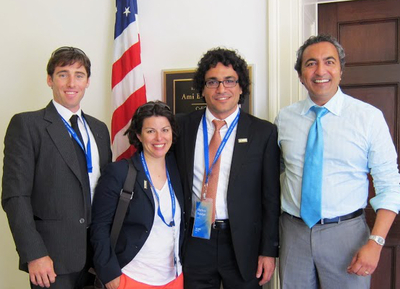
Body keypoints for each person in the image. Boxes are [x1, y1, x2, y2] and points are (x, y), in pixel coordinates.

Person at [275, 34, 400, 288]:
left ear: (341, 70)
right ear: (300, 75)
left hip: (347, 235)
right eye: (311, 63)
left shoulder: (368, 118)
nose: (320, 70)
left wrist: (375, 243)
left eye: (329, 62)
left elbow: (389, 185)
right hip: (293, 232)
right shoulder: (284, 119)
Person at [1, 46, 112, 288]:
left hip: (98, 257)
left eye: (79, 75)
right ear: (50, 80)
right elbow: (15, 196)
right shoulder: (27, 125)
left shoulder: (100, 129)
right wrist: (34, 253)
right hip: (52, 260)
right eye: (63, 74)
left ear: (88, 81)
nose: (71, 82)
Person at [174, 48, 280, 288]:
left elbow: (271, 198)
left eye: (229, 81)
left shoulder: (263, 132)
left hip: (243, 244)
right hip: (195, 239)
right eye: (212, 82)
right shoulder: (182, 127)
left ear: (241, 87)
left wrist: (268, 251)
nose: (221, 89)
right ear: (202, 88)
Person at [91, 101, 185, 289]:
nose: (159, 138)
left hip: (174, 278)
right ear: (138, 135)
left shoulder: (178, 169)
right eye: (150, 131)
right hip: (131, 278)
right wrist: (109, 274)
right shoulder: (119, 172)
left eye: (165, 130)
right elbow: (99, 226)